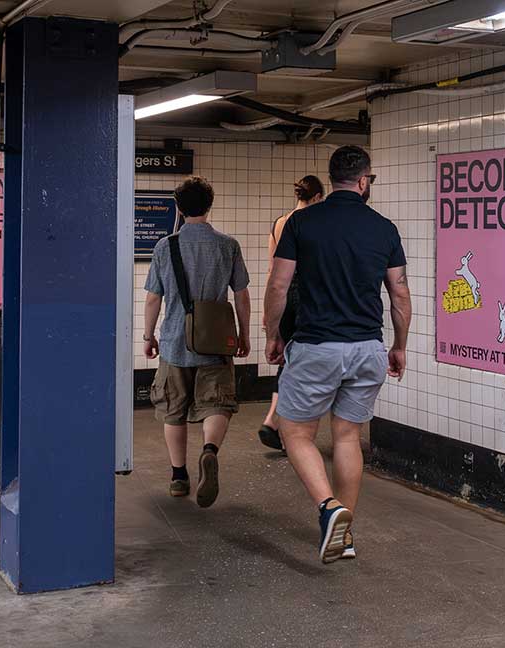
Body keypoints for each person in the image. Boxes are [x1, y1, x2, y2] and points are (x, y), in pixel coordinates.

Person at [265, 145, 412, 564]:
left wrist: (273, 334)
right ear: (364, 181)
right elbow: (399, 293)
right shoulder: (384, 228)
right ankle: (344, 537)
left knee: (296, 434)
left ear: (333, 180)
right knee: (348, 436)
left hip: (316, 346)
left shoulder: (302, 222)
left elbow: (278, 285)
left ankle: (329, 508)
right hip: (367, 348)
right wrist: (399, 345)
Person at [144, 176, 251, 508]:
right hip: (216, 341)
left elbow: (153, 298)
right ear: (209, 205)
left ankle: (179, 476)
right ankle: (209, 451)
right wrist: (244, 334)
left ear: (178, 207)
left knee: (173, 409)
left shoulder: (165, 246)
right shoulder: (228, 245)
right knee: (217, 403)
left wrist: (149, 336)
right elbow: (242, 294)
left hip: (175, 341)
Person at [257, 175, 325, 451]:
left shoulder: (279, 223)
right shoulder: (314, 223)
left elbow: (272, 272)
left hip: (282, 298)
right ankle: (284, 427)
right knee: (303, 363)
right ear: (317, 197)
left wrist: (268, 311)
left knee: (287, 360)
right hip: (306, 297)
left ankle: (273, 421)